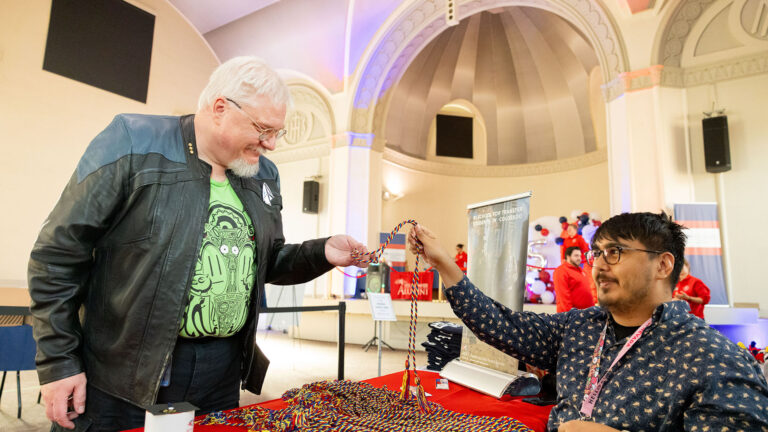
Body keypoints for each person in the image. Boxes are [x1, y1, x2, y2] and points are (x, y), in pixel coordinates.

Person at [28, 57, 368, 431]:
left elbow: (264, 262)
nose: (271, 144)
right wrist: (59, 363)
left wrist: (321, 253)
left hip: (220, 375)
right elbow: (57, 256)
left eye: (278, 132)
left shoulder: (262, 174)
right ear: (220, 108)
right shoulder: (132, 140)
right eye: (262, 128)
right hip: (122, 373)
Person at [409, 212, 768, 431]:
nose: (598, 264)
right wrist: (444, 264)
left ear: (663, 265)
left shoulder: (715, 359)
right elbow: (501, 324)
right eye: (597, 253)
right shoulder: (579, 327)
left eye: (616, 252)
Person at [553, 246, 595, 313]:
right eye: (576, 256)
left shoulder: (581, 271)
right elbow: (563, 296)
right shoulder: (561, 271)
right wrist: (569, 315)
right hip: (572, 316)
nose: (579, 258)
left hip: (586, 314)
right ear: (568, 256)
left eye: (580, 256)